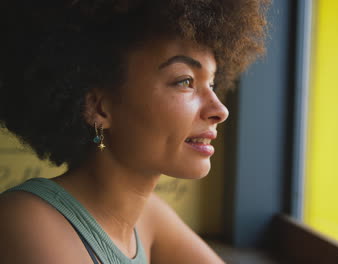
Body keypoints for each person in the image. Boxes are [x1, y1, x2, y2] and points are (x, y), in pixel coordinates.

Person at [0, 0, 268, 263]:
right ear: (100, 108)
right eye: (185, 81)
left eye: (212, 83)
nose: (220, 110)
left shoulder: (149, 217)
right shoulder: (24, 219)